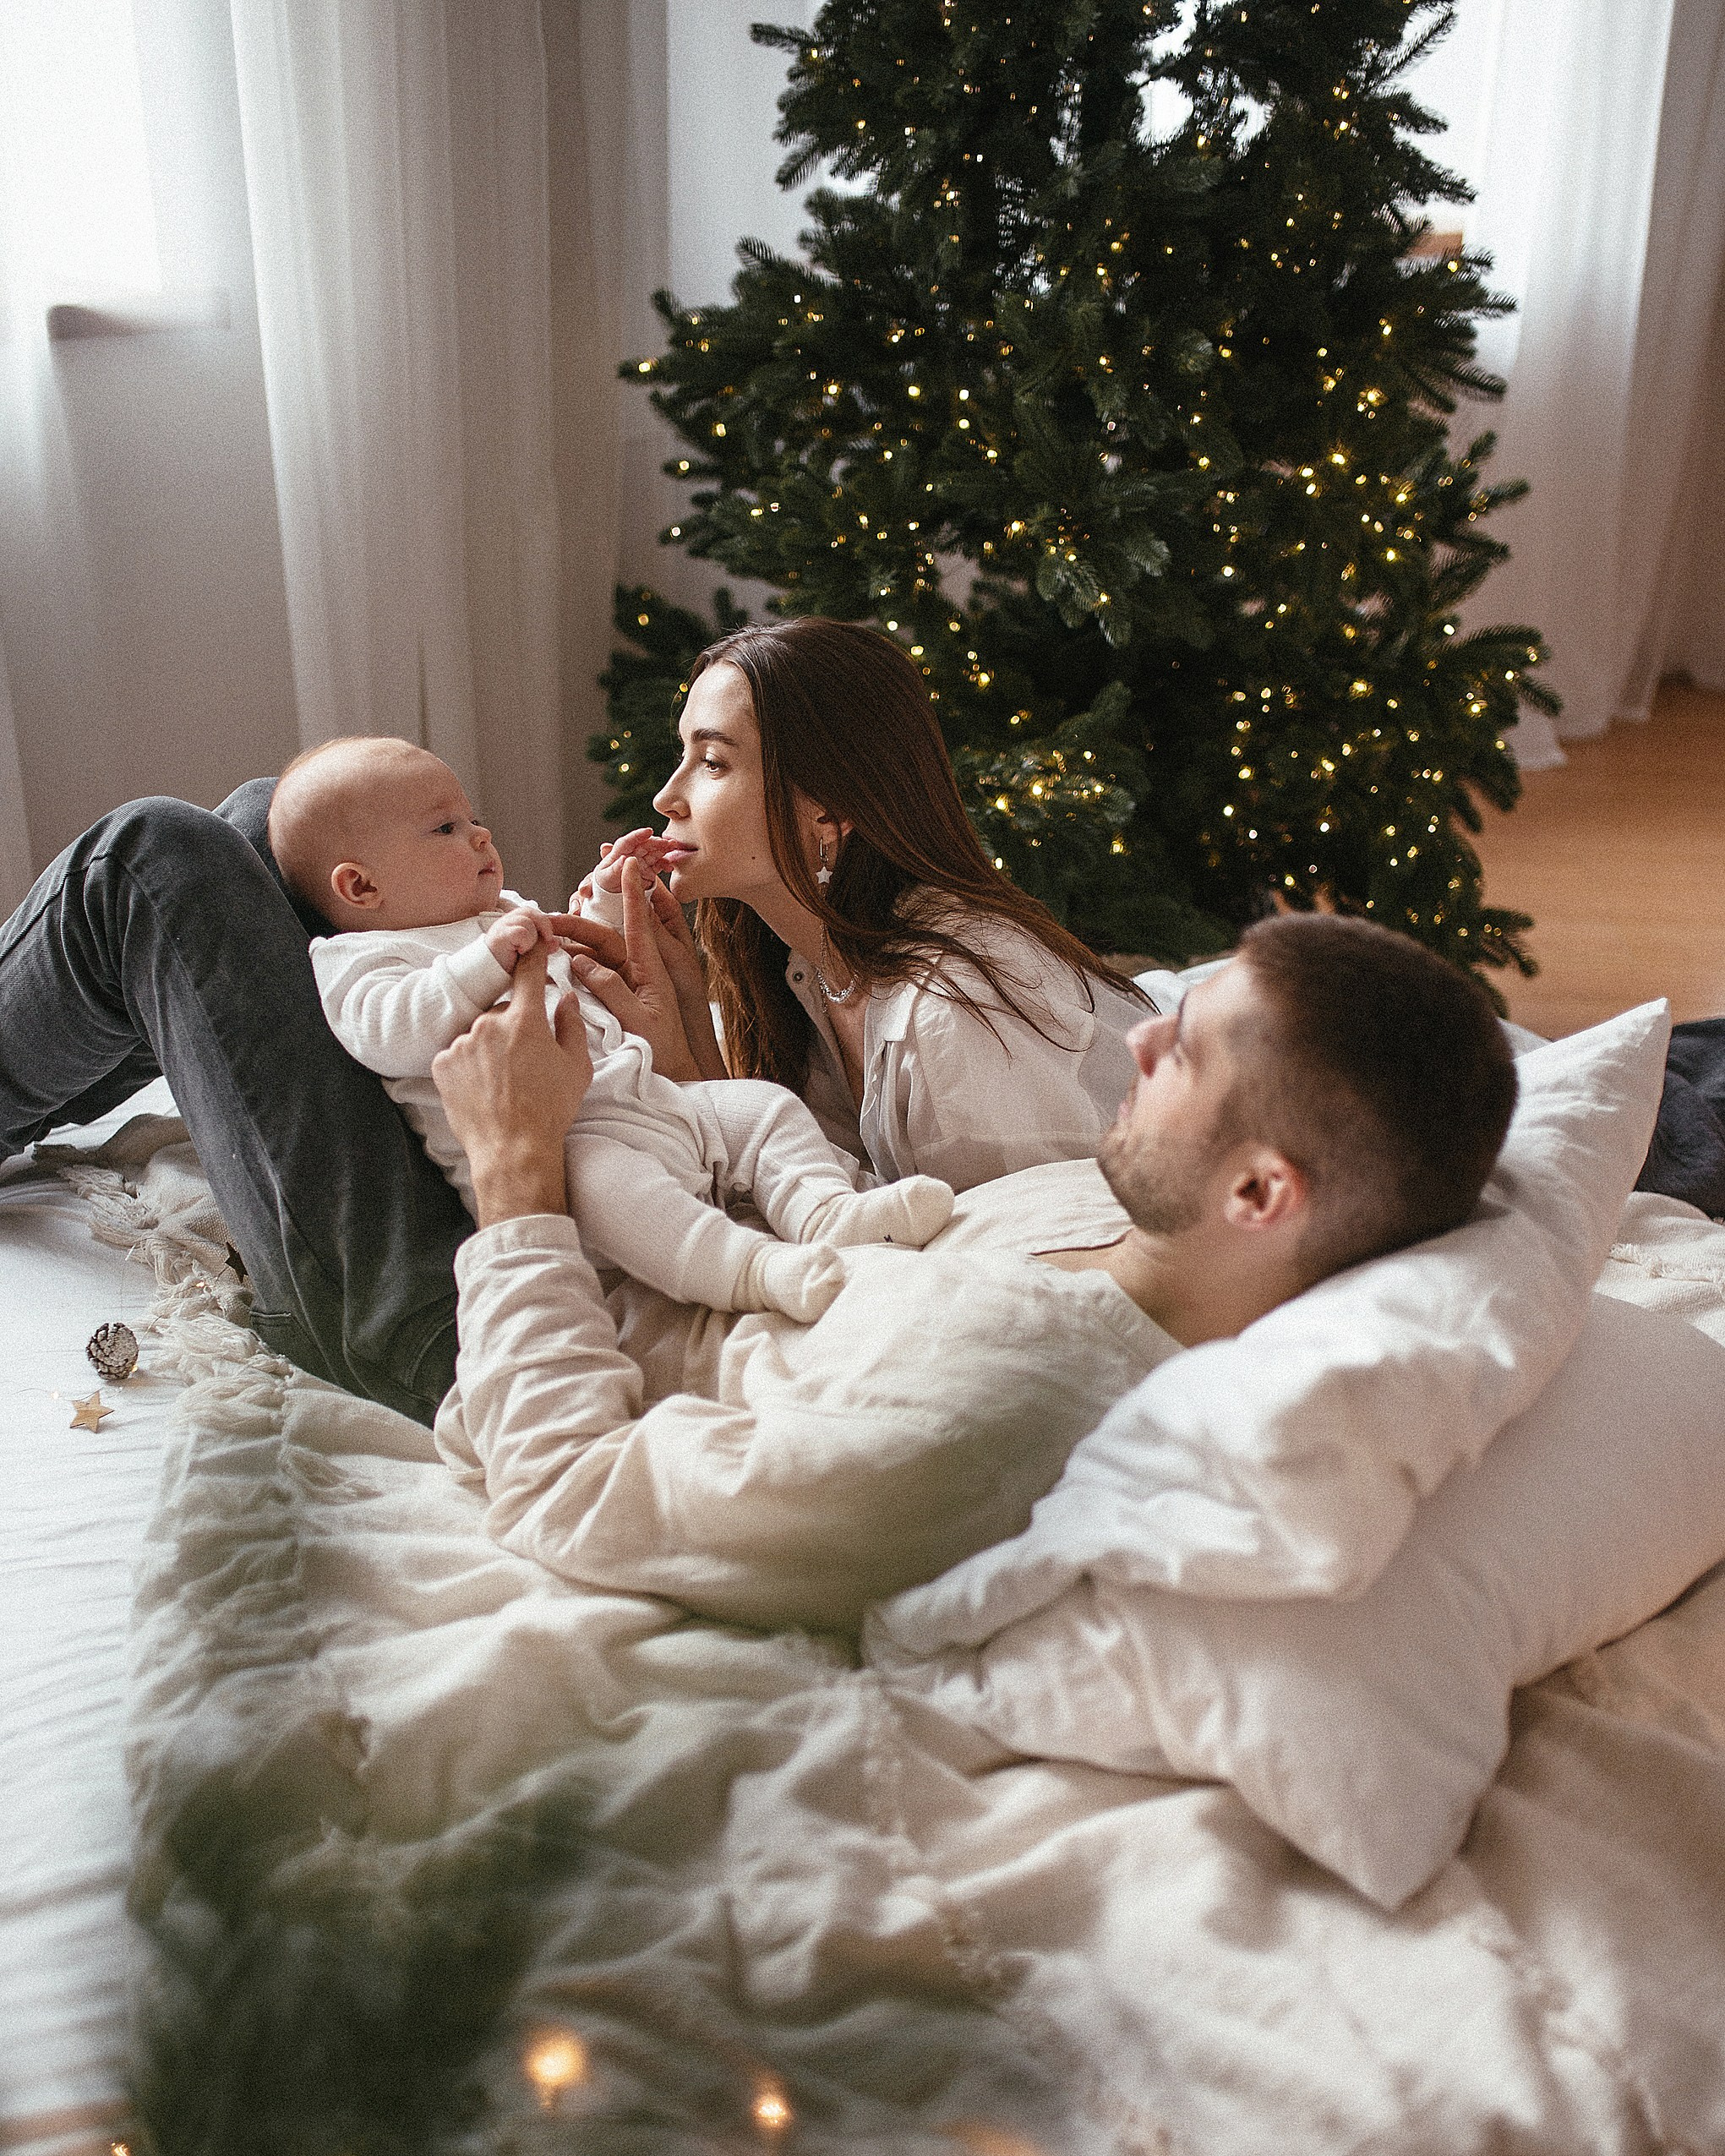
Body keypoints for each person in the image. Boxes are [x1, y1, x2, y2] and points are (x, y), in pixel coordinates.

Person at [0, 619, 1149, 1422]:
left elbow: (1004, 1302)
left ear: (828, 810)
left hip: (472, 1308)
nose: (663, 796)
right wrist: (676, 1037)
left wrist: (551, 1119)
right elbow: (764, 1150)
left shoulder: (964, 1019)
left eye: (709, 761)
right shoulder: (814, 972)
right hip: (534, 1231)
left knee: (156, 858)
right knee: (274, 821)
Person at [426, 912, 1519, 1627]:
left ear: (1257, 1195)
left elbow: (567, 1493)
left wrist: (514, 1162)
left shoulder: (984, 1416)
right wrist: (672, 1077)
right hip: (631, 1203)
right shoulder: (1102, 1204)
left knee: (279, 846)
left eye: (1182, 1049)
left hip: (489, 1309)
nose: (1139, 1037)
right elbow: (820, 1227)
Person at [274, 734, 953, 1323]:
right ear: (361, 888)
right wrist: (484, 961)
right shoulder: (359, 959)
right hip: (563, 1145)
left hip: (652, 1099)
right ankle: (754, 1273)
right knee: (616, 1192)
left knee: (762, 1107)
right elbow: (388, 1033)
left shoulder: (503, 909)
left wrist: (607, 889)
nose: (481, 835)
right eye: (444, 829)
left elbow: (584, 954)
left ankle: (824, 1210)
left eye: (473, 818)